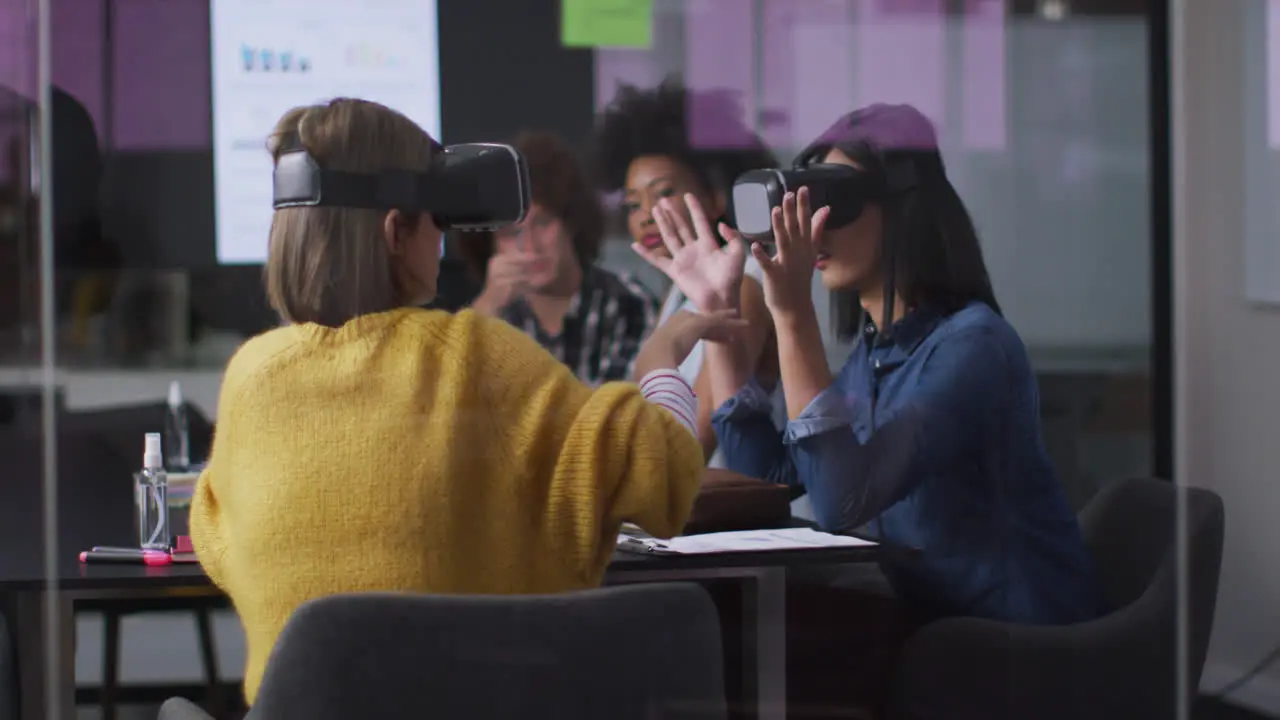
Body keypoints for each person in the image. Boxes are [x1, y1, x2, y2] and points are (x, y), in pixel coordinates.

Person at [189, 98, 742, 706]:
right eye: (436, 221)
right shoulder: (476, 359)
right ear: (396, 231)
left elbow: (217, 542)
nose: (444, 239)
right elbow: (661, 476)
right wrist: (659, 364)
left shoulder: (252, 379)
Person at [635, 103, 1108, 717]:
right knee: (708, 621)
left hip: (1011, 645)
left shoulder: (973, 346)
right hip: (933, 622)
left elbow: (842, 501)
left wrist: (791, 311)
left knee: (731, 642)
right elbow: (772, 479)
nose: (815, 228)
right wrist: (720, 315)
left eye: (836, 202)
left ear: (904, 209)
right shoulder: (879, 350)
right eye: (804, 204)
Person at [593, 78, 786, 462]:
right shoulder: (678, 293)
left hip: (741, 515)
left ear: (716, 198)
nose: (647, 216)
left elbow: (691, 443)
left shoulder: (744, 287)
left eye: (663, 193)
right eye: (633, 204)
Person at [461, 131, 658, 385]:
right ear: (490, 245)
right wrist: (484, 312)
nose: (530, 245)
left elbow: (616, 419)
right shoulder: (492, 316)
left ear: (570, 221)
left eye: (542, 223)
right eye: (511, 233)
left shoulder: (630, 302)